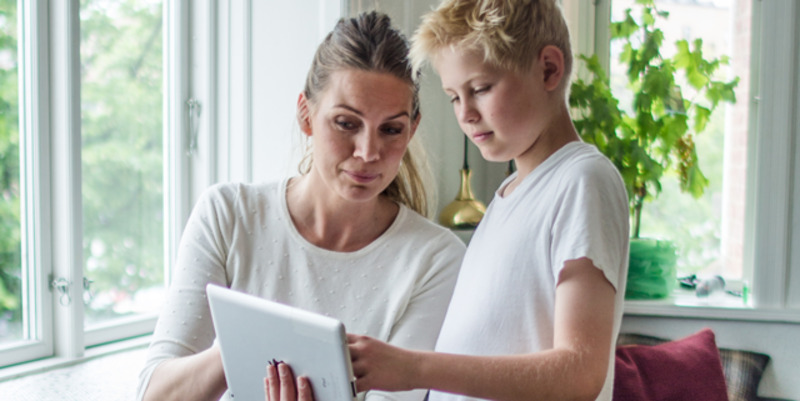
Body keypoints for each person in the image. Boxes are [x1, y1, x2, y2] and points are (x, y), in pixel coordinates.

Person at [136, 11, 466, 401]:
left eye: (391, 130)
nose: (368, 152)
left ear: (411, 129)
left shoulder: (435, 258)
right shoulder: (227, 215)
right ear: (306, 115)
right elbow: (154, 394)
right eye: (346, 123)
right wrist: (245, 343)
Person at [345, 1, 630, 401]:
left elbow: (579, 373)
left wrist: (414, 368)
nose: (466, 115)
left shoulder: (582, 181)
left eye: (479, 89)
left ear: (549, 69)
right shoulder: (507, 198)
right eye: (453, 97)